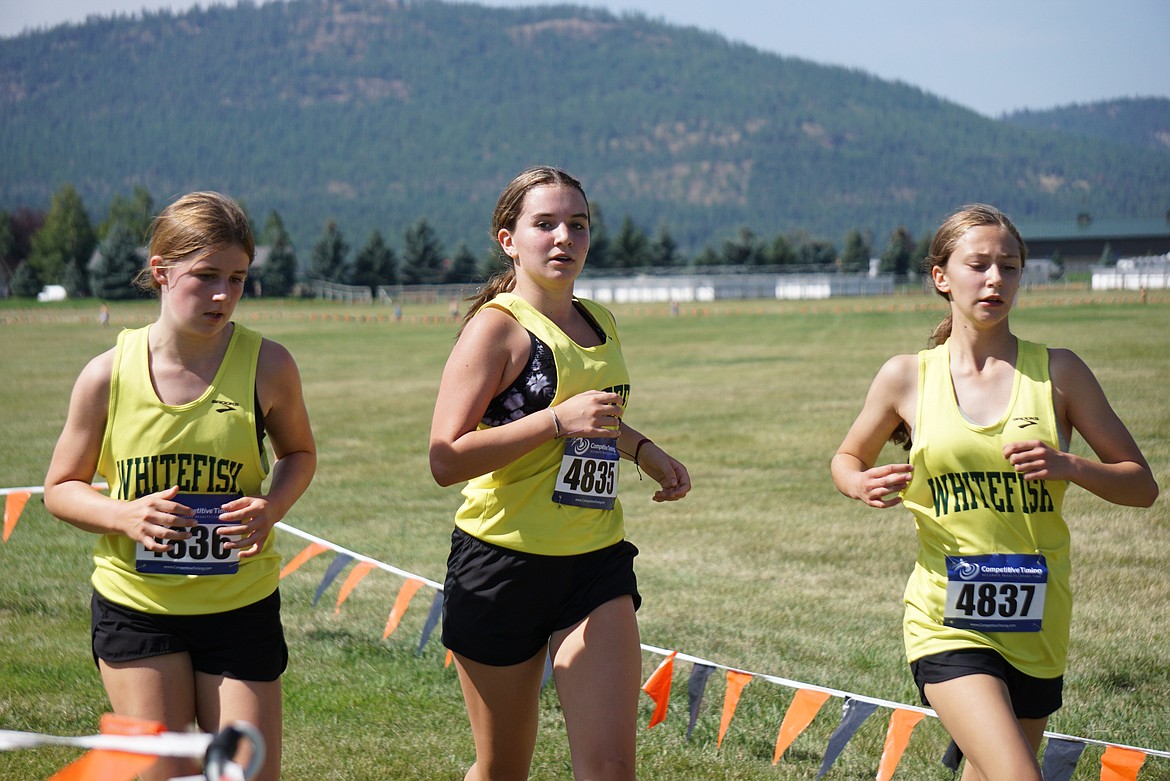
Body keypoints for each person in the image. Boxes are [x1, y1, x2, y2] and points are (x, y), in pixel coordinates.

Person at [830, 204, 1158, 781]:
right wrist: (858, 481)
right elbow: (847, 456)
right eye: (978, 265)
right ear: (941, 277)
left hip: (1038, 617)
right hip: (945, 619)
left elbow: (1141, 484)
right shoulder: (907, 376)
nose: (995, 280)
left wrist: (1070, 465)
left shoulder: (1059, 373)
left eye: (1009, 266)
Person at [429, 165, 691, 781]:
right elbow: (445, 457)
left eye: (577, 225)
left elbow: (594, 418)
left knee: (609, 768)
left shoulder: (599, 319)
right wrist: (555, 422)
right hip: (500, 564)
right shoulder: (496, 328)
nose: (563, 239)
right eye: (544, 224)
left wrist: (645, 451)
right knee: (502, 769)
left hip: (593, 563)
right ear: (508, 239)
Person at [43, 191, 317, 781]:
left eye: (237, 278)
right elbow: (61, 487)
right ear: (162, 270)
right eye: (206, 276)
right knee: (158, 773)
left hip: (240, 604)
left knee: (245, 773)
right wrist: (125, 516)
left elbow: (299, 454)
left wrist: (271, 507)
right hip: (138, 608)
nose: (223, 294)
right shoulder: (106, 374)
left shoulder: (269, 365)